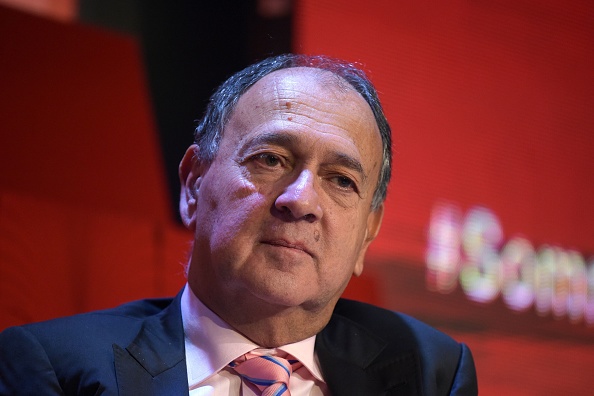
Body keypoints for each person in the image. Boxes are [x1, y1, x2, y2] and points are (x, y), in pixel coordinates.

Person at [0, 54, 477, 395]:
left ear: (367, 234)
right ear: (193, 184)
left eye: (341, 180)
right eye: (271, 159)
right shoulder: (56, 368)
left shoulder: (429, 372)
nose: (300, 200)